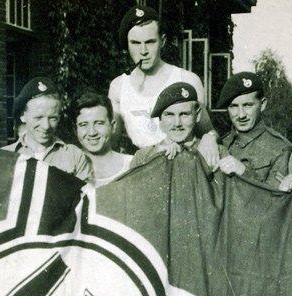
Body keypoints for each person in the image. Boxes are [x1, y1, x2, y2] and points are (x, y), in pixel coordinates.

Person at [108, 5, 220, 166]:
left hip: (183, 166)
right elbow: (111, 143)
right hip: (140, 168)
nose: (143, 50)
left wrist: (210, 138)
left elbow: (207, 130)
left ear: (163, 41)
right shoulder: (118, 86)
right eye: (135, 43)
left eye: (150, 42)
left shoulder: (187, 80)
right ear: (127, 45)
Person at [2, 77, 92, 182]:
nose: (46, 126)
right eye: (38, 117)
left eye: (53, 118)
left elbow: (86, 196)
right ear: (23, 116)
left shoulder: (74, 156)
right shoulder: (4, 156)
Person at [216, 72, 292, 188]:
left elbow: (276, 201)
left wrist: (244, 172)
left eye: (248, 105)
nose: (241, 115)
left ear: (262, 104)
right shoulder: (220, 143)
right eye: (234, 106)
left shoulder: (280, 148)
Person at [130, 82, 225, 169]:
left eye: (184, 114)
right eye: (169, 115)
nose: (177, 123)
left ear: (198, 115)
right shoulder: (143, 157)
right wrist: (157, 159)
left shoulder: (215, 151)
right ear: (160, 120)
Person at [72, 92, 133, 187]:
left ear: (112, 126)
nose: (92, 132)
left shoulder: (132, 165)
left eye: (99, 123)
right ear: (75, 130)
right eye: (83, 125)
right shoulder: (68, 170)